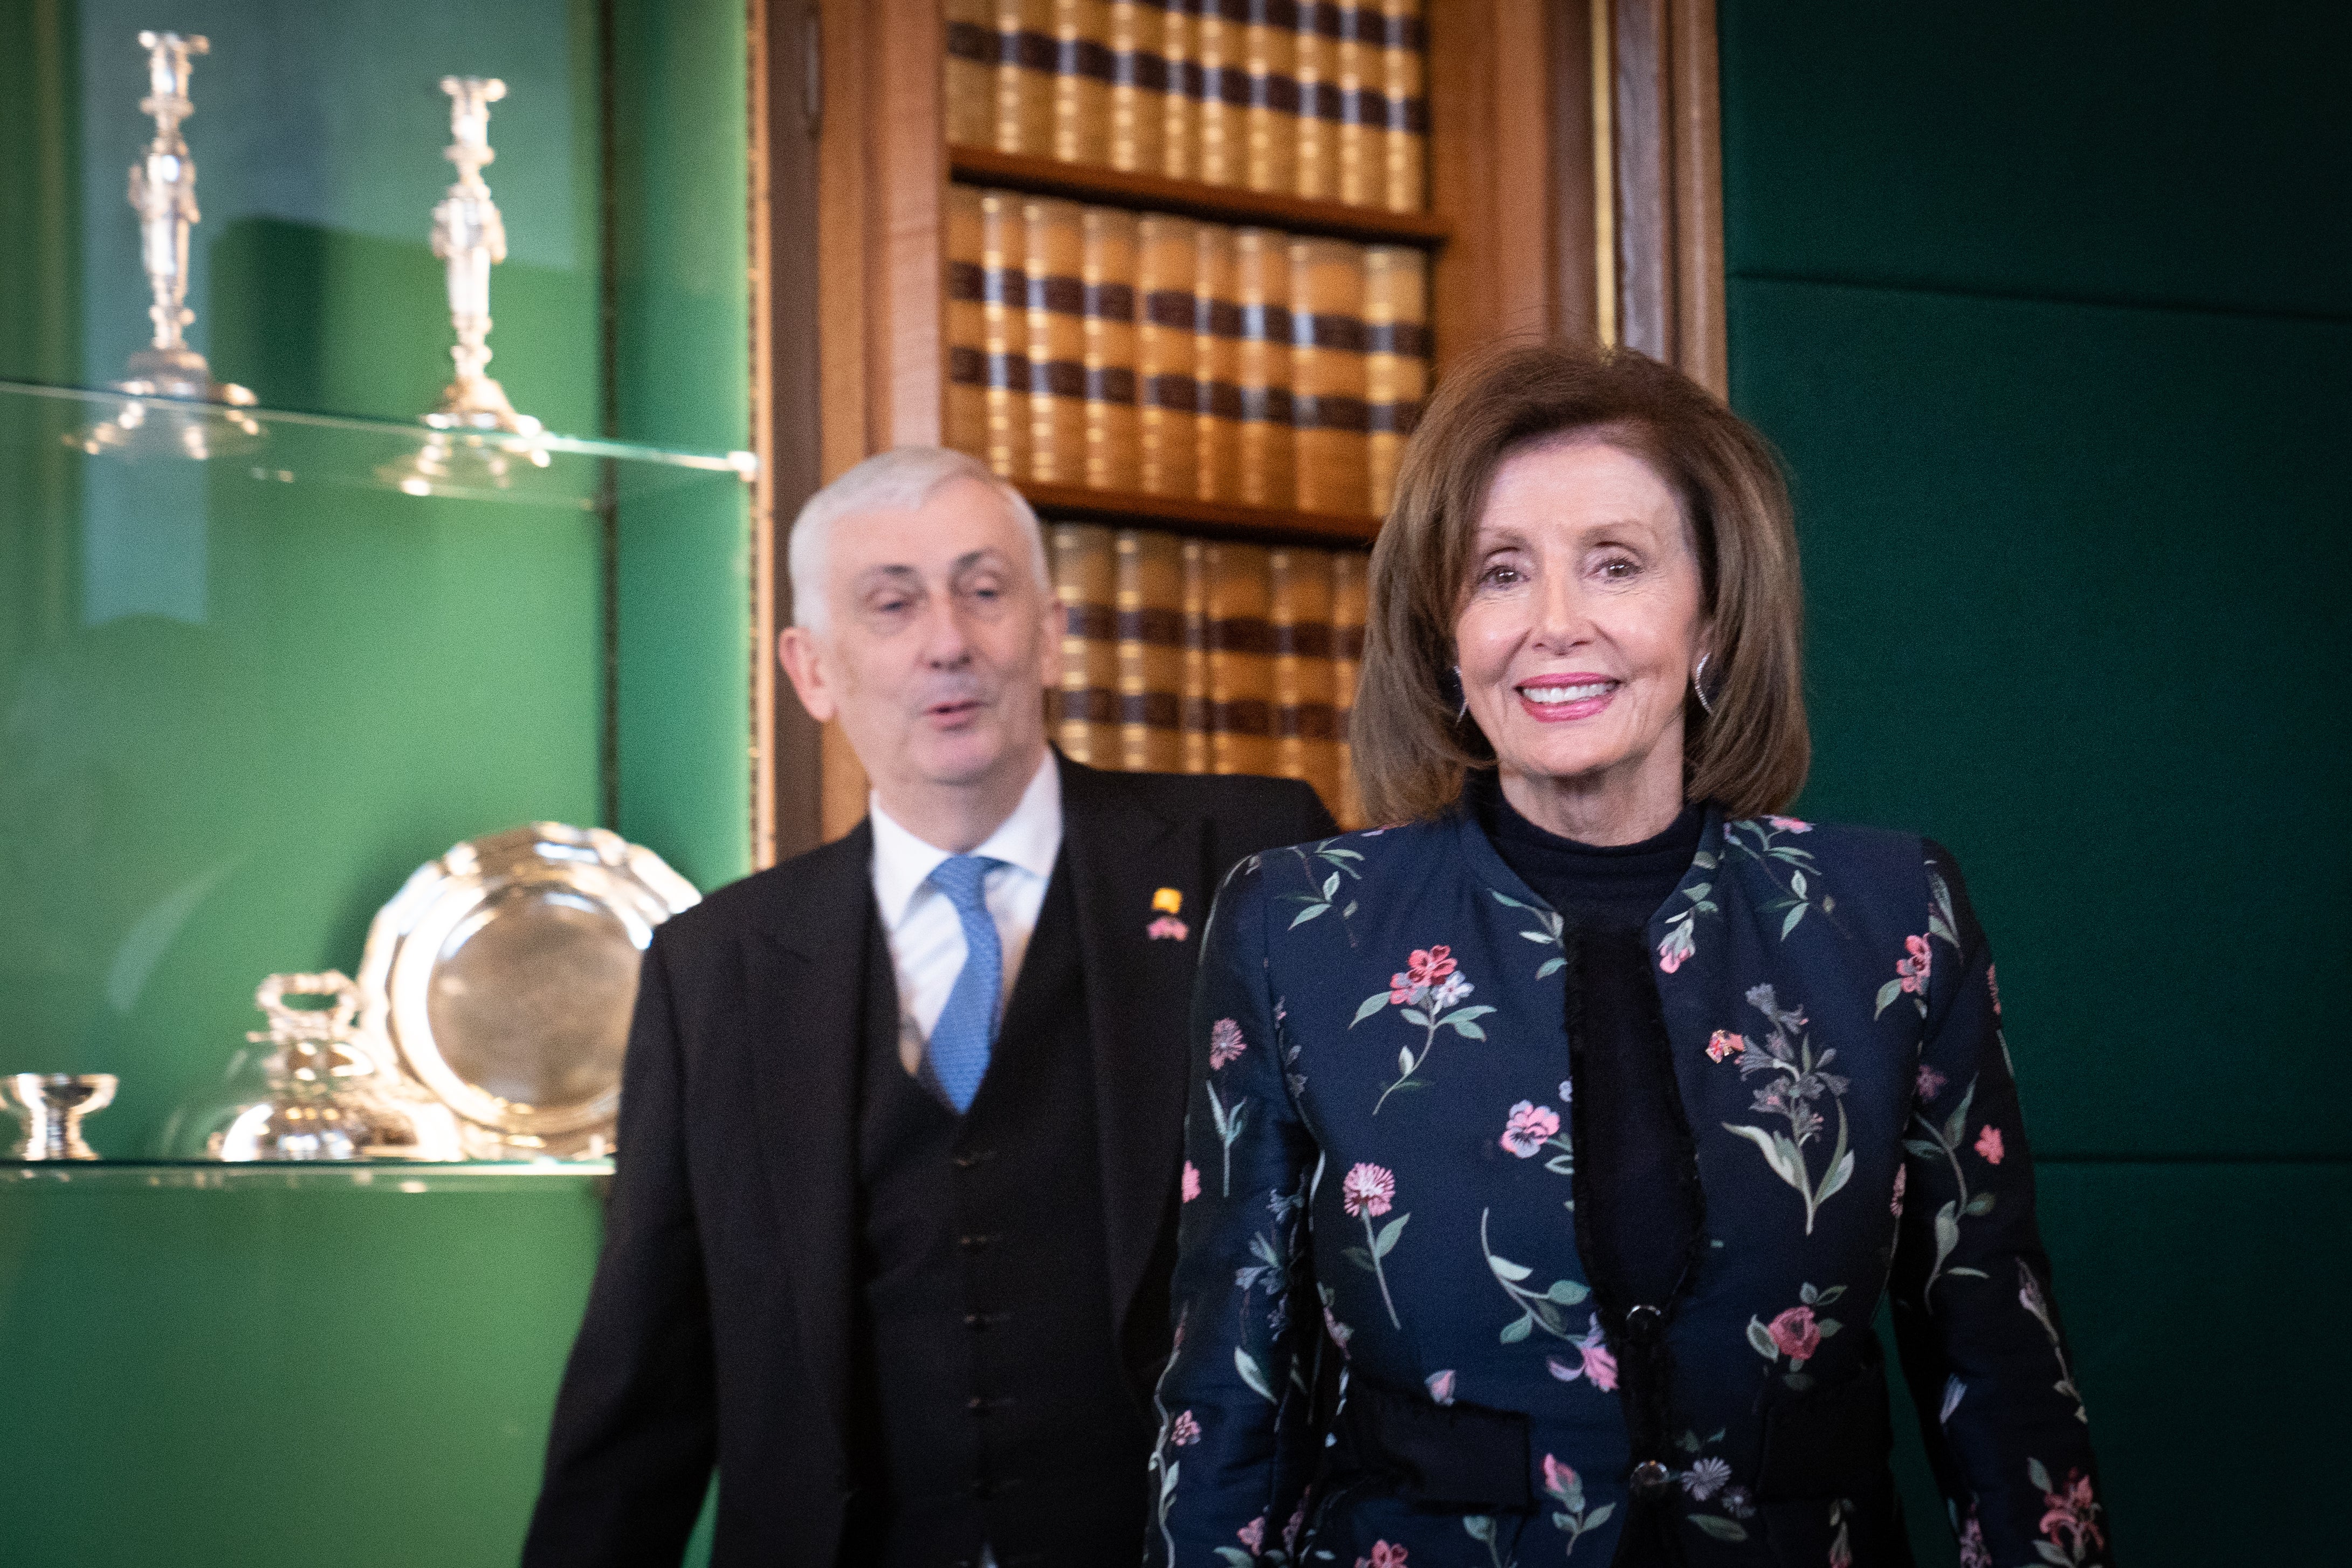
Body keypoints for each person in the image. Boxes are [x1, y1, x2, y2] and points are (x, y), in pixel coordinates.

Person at [1148, 343, 2108, 1568]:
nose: (1556, 623)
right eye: (1500, 572)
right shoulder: (1296, 924)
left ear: (1711, 615)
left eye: (1617, 563)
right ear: (1446, 633)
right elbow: (1228, 1388)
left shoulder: (1892, 917)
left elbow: (2004, 1371)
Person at [522, 448, 1334, 1568]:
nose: (947, 639)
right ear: (811, 669)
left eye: (984, 589)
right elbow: (645, 1378)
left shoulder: (1252, 860)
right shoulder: (715, 965)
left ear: (1048, 631)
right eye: (892, 602)